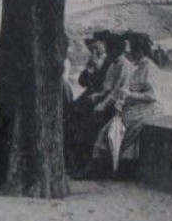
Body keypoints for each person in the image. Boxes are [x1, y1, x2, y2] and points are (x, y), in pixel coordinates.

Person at [92, 31, 159, 177]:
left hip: (148, 108)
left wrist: (129, 95)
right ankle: (111, 166)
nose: (129, 51)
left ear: (139, 50)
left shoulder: (149, 68)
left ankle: (114, 167)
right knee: (111, 128)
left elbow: (152, 96)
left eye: (132, 49)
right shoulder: (137, 66)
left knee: (117, 128)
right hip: (134, 106)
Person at [66, 32, 113, 176]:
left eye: (95, 49)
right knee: (71, 117)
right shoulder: (93, 62)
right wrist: (89, 69)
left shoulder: (109, 63)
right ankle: (72, 163)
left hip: (102, 100)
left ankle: (84, 166)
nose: (93, 52)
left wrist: (96, 69)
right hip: (88, 99)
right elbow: (82, 82)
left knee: (86, 129)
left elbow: (106, 86)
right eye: (91, 49)